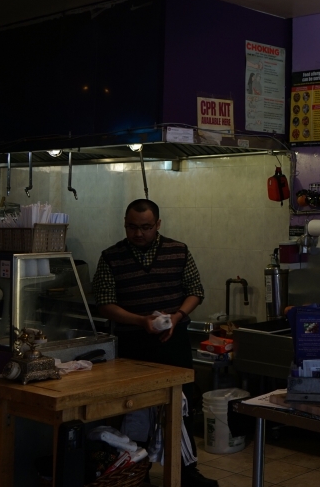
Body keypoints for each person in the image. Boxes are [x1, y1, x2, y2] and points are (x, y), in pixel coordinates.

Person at [93, 199, 218, 487]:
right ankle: (138, 473)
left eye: (146, 227)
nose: (138, 233)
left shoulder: (178, 251)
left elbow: (195, 291)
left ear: (158, 224)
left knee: (181, 408)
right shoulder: (111, 257)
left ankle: (186, 472)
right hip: (133, 345)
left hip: (173, 343)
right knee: (134, 411)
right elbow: (105, 303)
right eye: (132, 227)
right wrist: (141, 321)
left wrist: (177, 316)